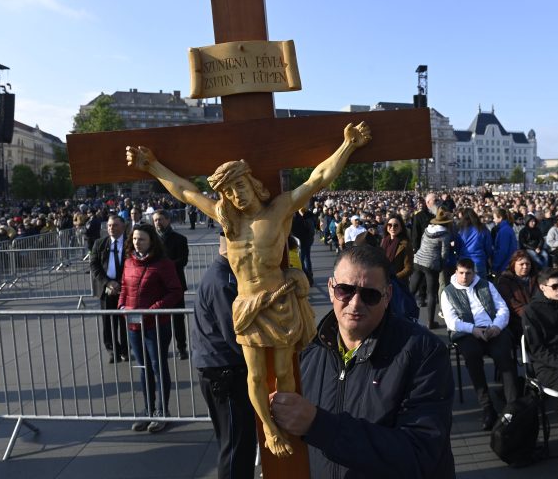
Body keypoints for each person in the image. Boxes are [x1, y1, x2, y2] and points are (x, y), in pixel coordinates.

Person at [127, 121, 370, 457]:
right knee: (255, 376)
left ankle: (288, 422)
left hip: (280, 303)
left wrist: (348, 146)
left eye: (240, 186)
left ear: (253, 184)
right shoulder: (229, 221)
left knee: (285, 371)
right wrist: (151, 165)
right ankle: (270, 431)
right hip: (247, 306)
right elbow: (185, 191)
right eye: (228, 192)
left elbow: (317, 179)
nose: (236, 195)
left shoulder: (280, 209)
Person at [270, 245, 455, 478]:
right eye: (345, 291)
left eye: (370, 295)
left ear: (387, 296)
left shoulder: (424, 352)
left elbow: (420, 452)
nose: (355, 304)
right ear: (330, 289)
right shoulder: (306, 349)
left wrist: (319, 425)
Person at [192, 233, 256, 479]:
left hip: (222, 370)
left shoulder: (223, 276)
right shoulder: (223, 281)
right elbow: (236, 334)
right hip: (225, 373)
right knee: (236, 448)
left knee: (235, 443)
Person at [119, 223, 183, 432]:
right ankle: (148, 410)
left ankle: (162, 411)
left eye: (142, 239)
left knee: (158, 367)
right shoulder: (129, 262)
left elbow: (175, 291)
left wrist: (154, 309)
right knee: (143, 368)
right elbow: (124, 287)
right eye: (135, 239)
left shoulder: (163, 264)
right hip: (134, 325)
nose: (137, 242)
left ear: (151, 241)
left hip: (156, 325)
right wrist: (121, 305)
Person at [442, 258, 519, 431]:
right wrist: (473, 329)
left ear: (474, 273)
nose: (464, 277)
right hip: (467, 332)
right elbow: (452, 321)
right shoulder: (447, 292)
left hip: (492, 328)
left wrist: (497, 326)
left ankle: (512, 407)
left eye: (468, 273)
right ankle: (487, 407)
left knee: (504, 356)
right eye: (461, 273)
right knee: (472, 357)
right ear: (455, 272)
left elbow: (502, 309)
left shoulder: (486, 285)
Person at [522, 268, 558, 391]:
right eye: (555, 286)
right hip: (548, 366)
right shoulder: (531, 311)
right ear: (542, 287)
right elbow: (537, 350)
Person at [89, 214, 128, 364]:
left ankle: (125, 349)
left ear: (123, 227)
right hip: (106, 290)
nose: (112, 228)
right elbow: (94, 265)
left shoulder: (130, 243)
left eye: (115, 225)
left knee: (125, 321)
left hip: (125, 288)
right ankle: (112, 350)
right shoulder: (99, 243)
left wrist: (119, 283)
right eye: (110, 225)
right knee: (108, 323)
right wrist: (108, 283)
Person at [152, 209, 190, 360]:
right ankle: (162, 347)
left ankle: (182, 347)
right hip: (156, 285)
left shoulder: (180, 239)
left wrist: (164, 268)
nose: (158, 223)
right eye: (155, 220)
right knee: (159, 318)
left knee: (178, 318)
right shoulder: (151, 239)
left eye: (160, 219)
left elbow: (183, 261)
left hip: (176, 285)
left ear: (168, 220)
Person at [411, 207, 453, 329]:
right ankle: (430, 322)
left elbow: (422, 243)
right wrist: (441, 265)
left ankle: (401, 313)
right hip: (431, 264)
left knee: (412, 289)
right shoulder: (445, 234)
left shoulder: (427, 230)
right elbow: (444, 253)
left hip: (419, 260)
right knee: (431, 293)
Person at [494, 249, 538, 341]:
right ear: (513, 265)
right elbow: (512, 304)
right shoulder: (505, 280)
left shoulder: (537, 278)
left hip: (537, 315)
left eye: (527, 264)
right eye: (521, 264)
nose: (525, 267)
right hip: (517, 319)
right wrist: (530, 315)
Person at [456, 207, 493, 278]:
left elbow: (457, 247)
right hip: (479, 261)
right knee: (481, 286)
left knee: (465, 287)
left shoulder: (461, 230)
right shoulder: (482, 229)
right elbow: (488, 246)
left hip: (464, 262)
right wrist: (487, 257)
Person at [380, 214, 413, 286]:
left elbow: (409, 268)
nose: (392, 227)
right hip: (382, 281)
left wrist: (394, 278)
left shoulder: (405, 244)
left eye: (396, 225)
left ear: (401, 228)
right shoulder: (383, 241)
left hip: (397, 283)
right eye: (390, 225)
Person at [291, 205, 317, 285]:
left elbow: (310, 228)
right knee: (304, 258)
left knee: (303, 259)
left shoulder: (307, 215)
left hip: (304, 240)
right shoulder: (295, 214)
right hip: (300, 240)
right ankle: (308, 275)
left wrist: (303, 216)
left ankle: (308, 276)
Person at [490, 207, 518, 276]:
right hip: (508, 263)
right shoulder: (506, 228)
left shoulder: (504, 230)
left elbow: (502, 251)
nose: (493, 220)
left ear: (500, 218)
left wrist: (495, 266)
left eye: (495, 218)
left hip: (505, 265)